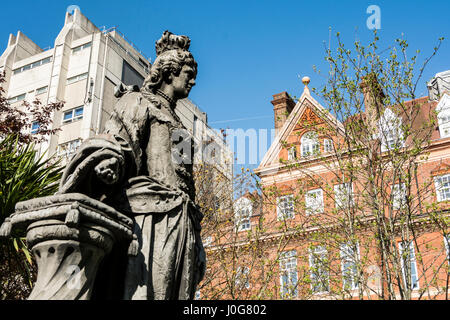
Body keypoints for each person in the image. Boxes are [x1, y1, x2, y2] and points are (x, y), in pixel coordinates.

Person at [58, 30, 205, 300]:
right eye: (188, 73)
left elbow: (188, 185)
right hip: (149, 217)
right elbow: (120, 142)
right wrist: (109, 161)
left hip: (182, 219)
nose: (193, 80)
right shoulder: (137, 102)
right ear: (170, 72)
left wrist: (197, 237)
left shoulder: (183, 128)